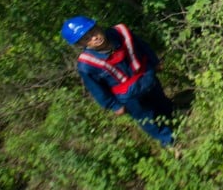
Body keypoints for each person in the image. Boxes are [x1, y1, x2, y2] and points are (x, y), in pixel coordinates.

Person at [61, 16, 175, 147]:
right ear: (81, 44)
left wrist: (154, 61)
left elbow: (142, 46)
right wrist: (113, 105)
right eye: (87, 38)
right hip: (129, 95)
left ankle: (174, 119)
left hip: (147, 77)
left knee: (161, 102)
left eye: (93, 32)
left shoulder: (120, 32)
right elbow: (97, 89)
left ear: (98, 27)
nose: (94, 38)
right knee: (146, 119)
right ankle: (168, 140)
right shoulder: (86, 65)